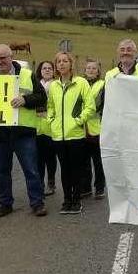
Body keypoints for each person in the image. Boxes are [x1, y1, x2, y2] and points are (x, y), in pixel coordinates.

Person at [0, 44, 47, 217]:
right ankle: (5, 204)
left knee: (31, 170)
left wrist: (25, 100)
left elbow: (42, 97)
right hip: (0, 133)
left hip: (23, 132)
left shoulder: (27, 75)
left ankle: (37, 203)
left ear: (11, 57)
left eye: (3, 58)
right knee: (2, 172)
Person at [47, 52, 96, 214]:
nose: (62, 64)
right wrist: (51, 120)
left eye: (65, 61)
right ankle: (67, 200)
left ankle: (76, 200)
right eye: (59, 62)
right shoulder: (54, 85)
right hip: (58, 136)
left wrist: (77, 121)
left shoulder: (81, 83)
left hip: (75, 135)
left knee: (76, 169)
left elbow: (90, 107)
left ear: (71, 64)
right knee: (64, 169)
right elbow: (51, 106)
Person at [83, 59, 106, 199]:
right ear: (84, 71)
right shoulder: (80, 83)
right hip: (82, 129)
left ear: (98, 71)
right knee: (84, 161)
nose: (91, 70)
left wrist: (86, 111)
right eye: (88, 68)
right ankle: (85, 187)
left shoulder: (102, 85)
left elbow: (101, 104)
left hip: (97, 128)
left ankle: (99, 187)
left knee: (98, 161)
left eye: (94, 68)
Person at [34, 61, 58, 196]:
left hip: (51, 126)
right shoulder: (36, 84)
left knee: (50, 157)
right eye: (44, 68)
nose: (47, 70)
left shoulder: (57, 84)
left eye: (50, 68)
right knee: (38, 158)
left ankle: (51, 182)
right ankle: (40, 183)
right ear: (40, 70)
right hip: (36, 125)